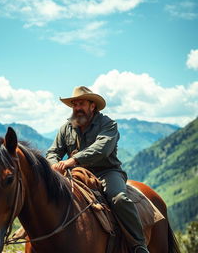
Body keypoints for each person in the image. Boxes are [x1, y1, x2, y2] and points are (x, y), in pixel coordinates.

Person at [46, 86, 149, 253]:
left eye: (81, 104)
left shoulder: (108, 124)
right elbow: (52, 152)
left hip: (107, 172)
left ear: (92, 106)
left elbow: (102, 149)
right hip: (76, 174)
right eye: (74, 104)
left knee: (119, 199)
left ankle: (139, 245)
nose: (77, 108)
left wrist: (73, 160)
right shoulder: (67, 128)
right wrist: (54, 165)